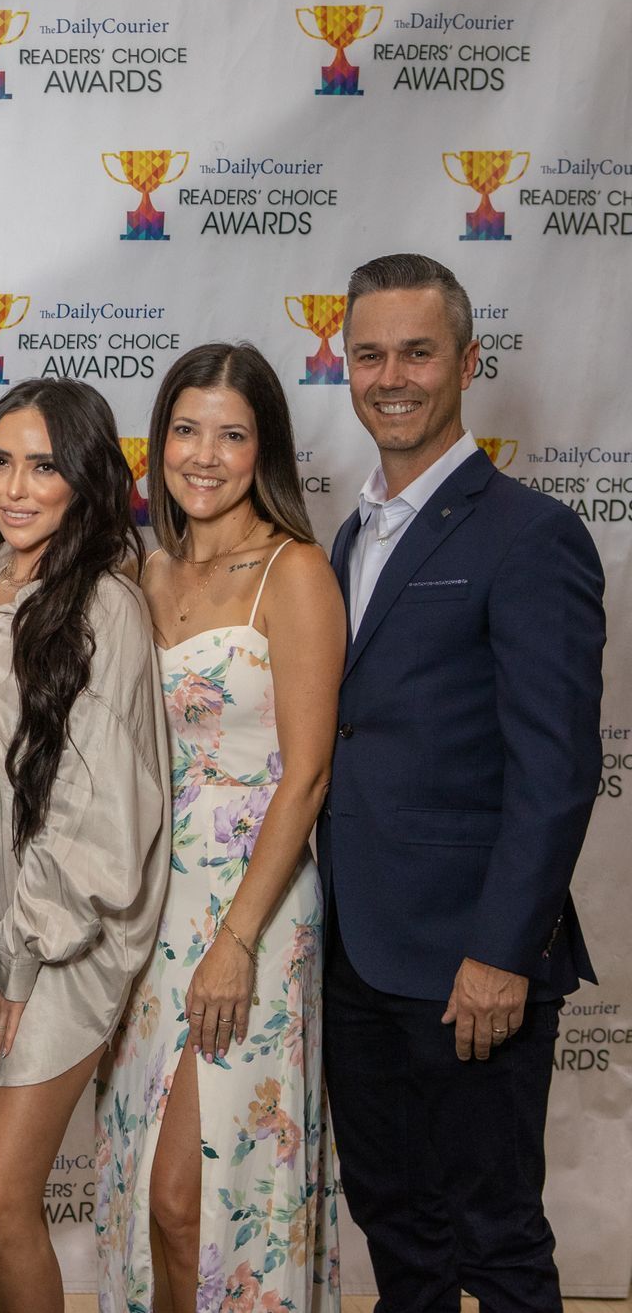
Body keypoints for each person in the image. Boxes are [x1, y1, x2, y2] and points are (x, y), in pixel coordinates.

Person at [321, 254, 603, 1310]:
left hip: (468, 966)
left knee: (495, 1238)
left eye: (418, 351)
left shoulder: (530, 535)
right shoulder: (350, 535)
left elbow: (558, 768)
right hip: (357, 954)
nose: (392, 375)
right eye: (370, 353)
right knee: (397, 1225)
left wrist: (500, 951)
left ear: (468, 362)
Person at [97, 344, 345, 1313]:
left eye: (232, 433)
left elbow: (309, 772)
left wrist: (237, 939)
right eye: (186, 430)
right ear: (156, 447)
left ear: (265, 448)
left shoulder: (294, 571)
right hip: (149, 910)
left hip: (254, 906)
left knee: (202, 1192)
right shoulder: (146, 573)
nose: (205, 454)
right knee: (149, 1199)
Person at [0, 381, 168, 1313]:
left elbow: (90, 814)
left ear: (85, 479)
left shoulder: (105, 606)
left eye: (43, 465)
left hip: (57, 936)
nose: (16, 485)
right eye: (0, 460)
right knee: (4, 1212)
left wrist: (21, 961)